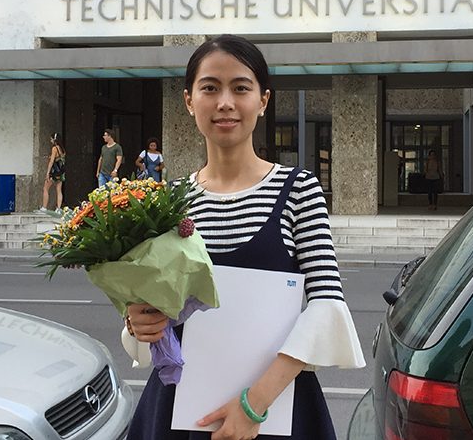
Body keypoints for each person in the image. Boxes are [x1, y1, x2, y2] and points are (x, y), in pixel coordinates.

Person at [123, 34, 365, 440]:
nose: (225, 103)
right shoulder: (167, 201)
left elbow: (326, 304)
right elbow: (151, 304)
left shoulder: (299, 190)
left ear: (263, 100)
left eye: (240, 88)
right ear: (188, 100)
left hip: (276, 410)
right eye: (210, 88)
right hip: (179, 411)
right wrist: (137, 322)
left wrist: (254, 405)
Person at [39, 132, 65, 213]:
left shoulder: (54, 149)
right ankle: (59, 208)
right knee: (59, 190)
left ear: (54, 139)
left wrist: (47, 173)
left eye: (51, 139)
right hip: (61, 172)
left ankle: (44, 207)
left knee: (46, 188)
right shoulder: (62, 149)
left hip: (54, 172)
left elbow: (51, 161)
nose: (50, 141)